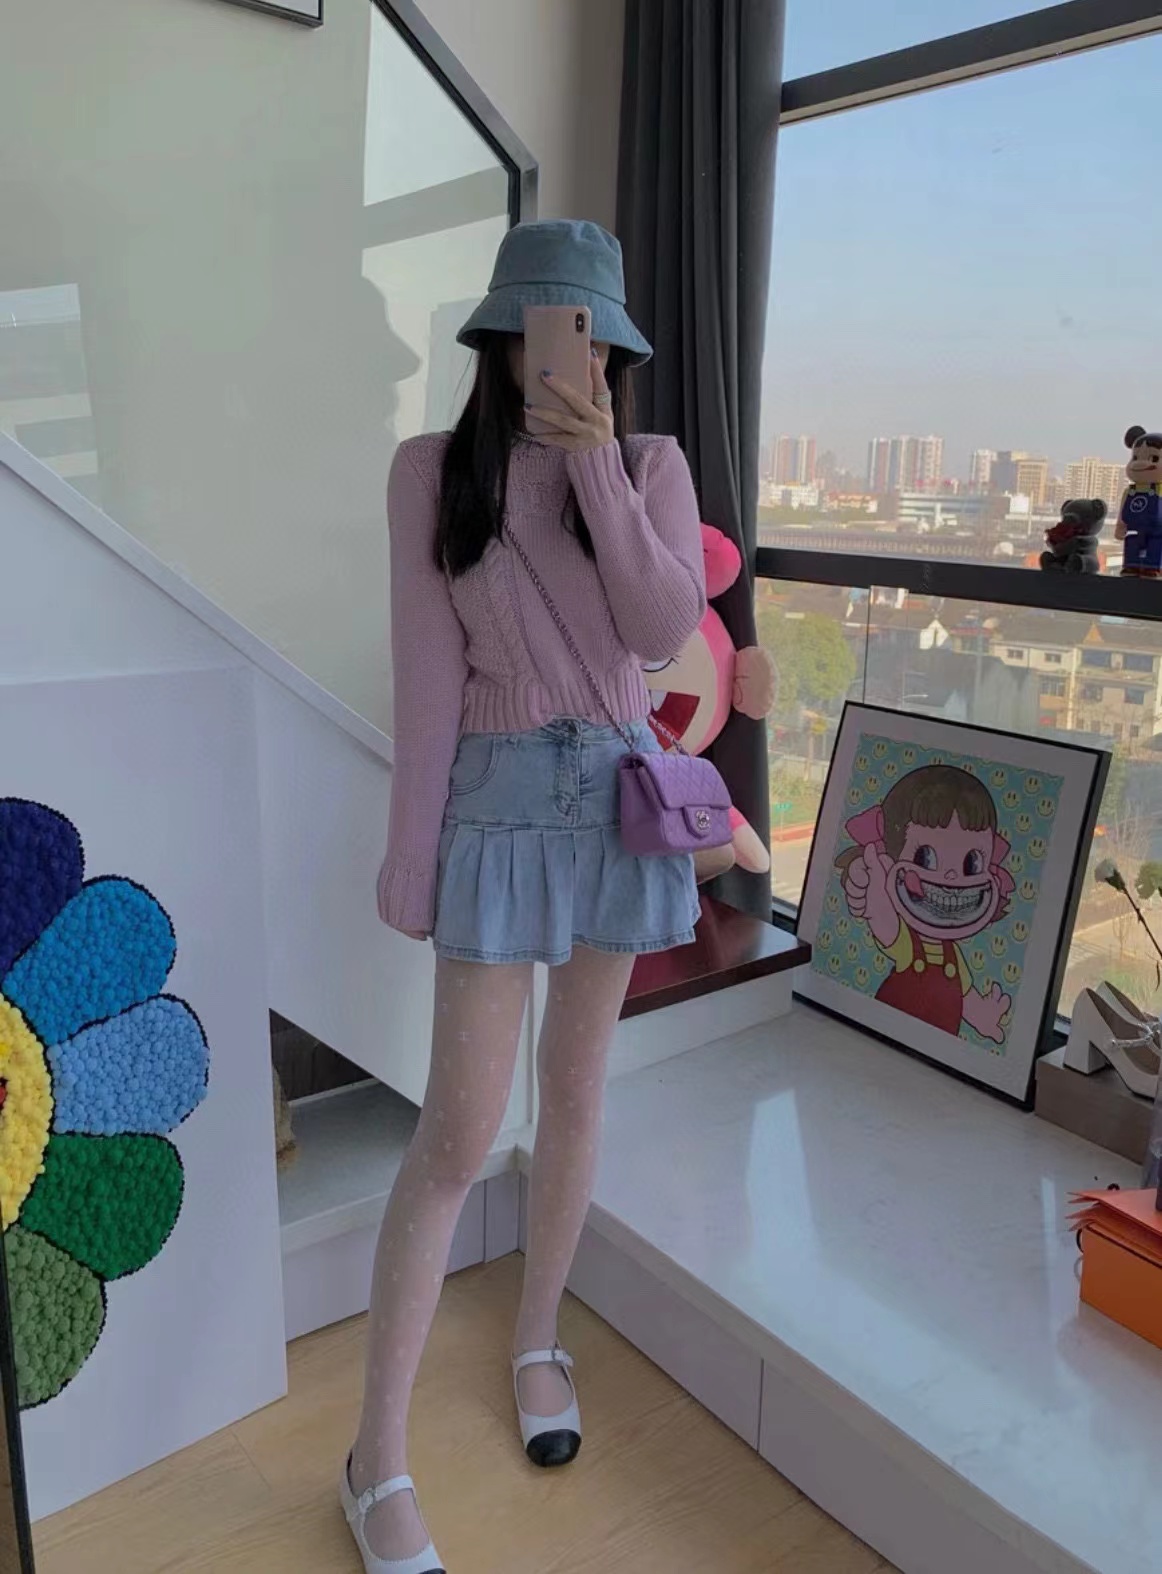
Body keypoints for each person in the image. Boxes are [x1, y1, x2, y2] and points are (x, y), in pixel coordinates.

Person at [341, 220, 706, 1574]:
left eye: (592, 336)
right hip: (493, 818)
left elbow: (661, 632)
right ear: (501, 337)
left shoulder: (651, 465)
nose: (571, 355)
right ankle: (374, 1458)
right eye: (549, 329)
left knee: (578, 1093)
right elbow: (427, 681)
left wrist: (597, 466)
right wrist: (411, 856)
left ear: (613, 351)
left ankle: (539, 1339)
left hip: (617, 813)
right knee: (455, 1132)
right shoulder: (430, 472)